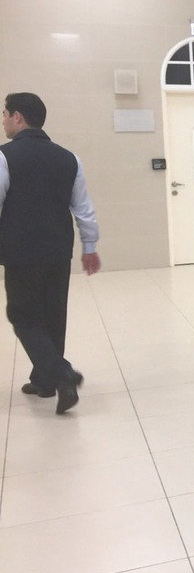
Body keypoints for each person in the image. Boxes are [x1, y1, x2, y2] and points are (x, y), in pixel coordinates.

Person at [0, 92, 100, 415]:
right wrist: (90, 246)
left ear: (18, 117)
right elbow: (83, 208)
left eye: (5, 114)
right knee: (53, 315)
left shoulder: (4, 157)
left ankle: (61, 374)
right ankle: (44, 381)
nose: (3, 121)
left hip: (20, 251)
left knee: (23, 315)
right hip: (59, 249)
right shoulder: (70, 158)